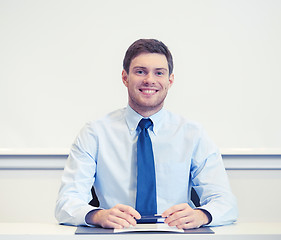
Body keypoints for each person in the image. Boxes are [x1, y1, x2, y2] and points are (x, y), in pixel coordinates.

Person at [55, 39, 238, 229]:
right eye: (140, 71)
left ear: (170, 80)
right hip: (116, 236)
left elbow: (226, 203)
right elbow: (66, 203)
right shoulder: (95, 133)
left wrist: (201, 215)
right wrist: (99, 216)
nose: (149, 80)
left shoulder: (193, 134)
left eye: (159, 73)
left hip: (175, 236)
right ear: (125, 78)